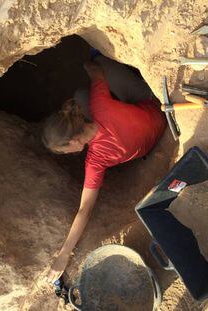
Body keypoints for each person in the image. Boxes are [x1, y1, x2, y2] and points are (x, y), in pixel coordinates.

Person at [43, 55, 167, 282]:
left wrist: (64, 254)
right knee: (85, 88)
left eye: (63, 151)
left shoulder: (96, 160)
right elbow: (97, 71)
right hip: (157, 111)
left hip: (146, 146)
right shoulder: (101, 104)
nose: (66, 155)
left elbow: (85, 209)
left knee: (83, 95)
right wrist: (88, 62)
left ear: (73, 143)